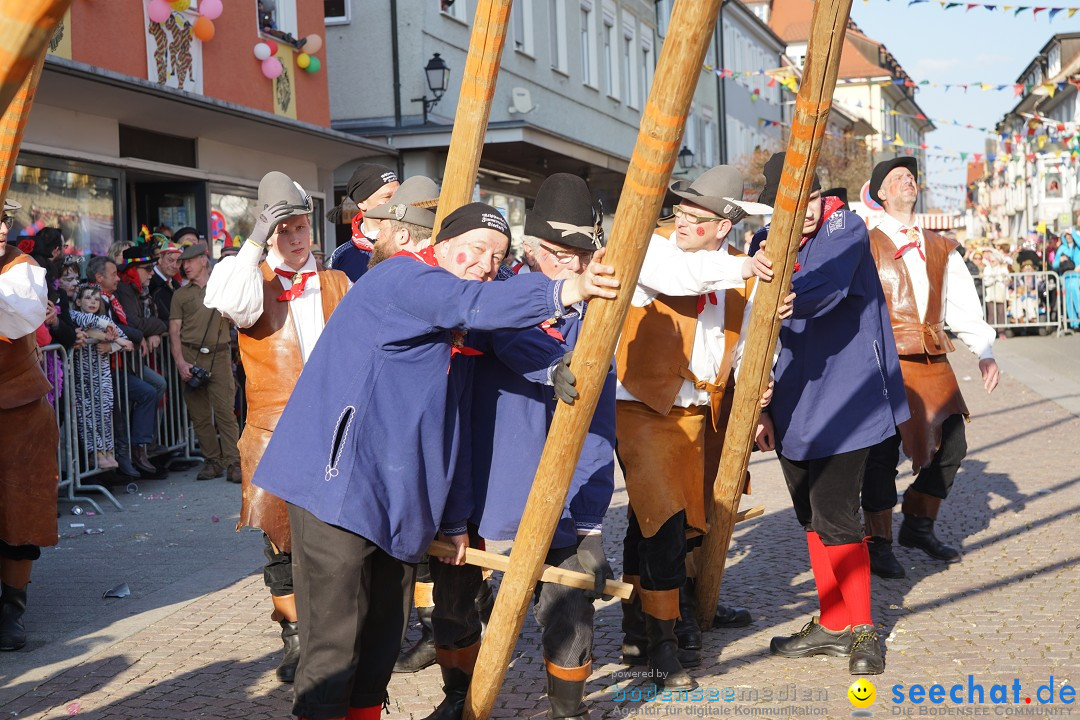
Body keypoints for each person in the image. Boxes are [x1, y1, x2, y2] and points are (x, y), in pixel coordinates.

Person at [251, 197, 619, 720]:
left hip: (398, 504)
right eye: (476, 249)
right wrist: (569, 289)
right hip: (337, 487)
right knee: (334, 649)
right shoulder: (401, 277)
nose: (485, 265)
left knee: (380, 644)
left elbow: (450, 429)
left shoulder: (459, 328)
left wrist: (451, 520)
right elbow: (472, 302)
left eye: (497, 256)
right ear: (440, 243)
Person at [424, 175, 615, 720]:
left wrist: (591, 524)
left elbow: (600, 428)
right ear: (531, 250)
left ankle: (567, 710)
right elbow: (503, 328)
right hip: (471, 485)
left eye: (581, 255)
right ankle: (458, 696)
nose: (572, 268)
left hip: (553, 495)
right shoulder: (488, 292)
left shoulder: (596, 319)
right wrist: (552, 364)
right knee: (455, 606)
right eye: (559, 254)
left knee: (570, 609)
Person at [614, 165, 774, 690]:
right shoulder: (653, 247)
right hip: (643, 404)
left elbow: (746, 338)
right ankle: (662, 648)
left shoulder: (738, 272)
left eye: (694, 215)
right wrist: (747, 267)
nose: (680, 220)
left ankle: (646, 627)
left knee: (663, 524)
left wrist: (760, 382)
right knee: (662, 525)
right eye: (680, 210)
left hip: (700, 411)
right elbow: (680, 277)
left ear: (724, 225)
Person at [752, 152, 909, 677]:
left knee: (836, 511)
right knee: (810, 517)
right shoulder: (762, 246)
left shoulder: (846, 225)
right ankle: (833, 622)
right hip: (792, 403)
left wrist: (786, 294)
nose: (811, 209)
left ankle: (863, 628)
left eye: (814, 196)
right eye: (797, 203)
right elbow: (753, 328)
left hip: (850, 397)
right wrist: (759, 404)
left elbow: (831, 280)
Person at [205, 171, 351, 684]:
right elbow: (225, 301)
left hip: (336, 428)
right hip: (274, 428)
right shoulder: (251, 279)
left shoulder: (337, 280)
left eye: (300, 227)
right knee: (280, 539)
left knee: (338, 537)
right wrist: (250, 243)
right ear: (269, 234)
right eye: (282, 229)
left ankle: (335, 635)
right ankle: (294, 639)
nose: (294, 238)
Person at [860, 157, 1000, 580]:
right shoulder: (863, 243)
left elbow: (962, 304)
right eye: (896, 177)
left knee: (952, 444)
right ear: (881, 193)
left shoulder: (940, 245)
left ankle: (918, 526)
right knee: (881, 456)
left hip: (933, 358)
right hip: (884, 359)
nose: (907, 179)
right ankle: (878, 543)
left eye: (911, 176)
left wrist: (985, 350)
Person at [0, 198, 61, 652]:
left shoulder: (23, 271)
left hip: (17, 411)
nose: (2, 228)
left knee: (19, 512)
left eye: (3, 218)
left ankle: (12, 609)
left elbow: (21, 314)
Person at [169, 243, 241, 482]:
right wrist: (180, 362)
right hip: (191, 355)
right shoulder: (180, 294)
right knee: (199, 415)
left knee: (225, 413)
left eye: (189, 261)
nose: (185, 266)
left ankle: (234, 462)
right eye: (183, 262)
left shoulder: (222, 288)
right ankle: (213, 461)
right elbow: (174, 331)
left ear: (203, 260)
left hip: (220, 356)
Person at [85, 254, 160, 479]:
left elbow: (121, 330)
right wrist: (133, 338)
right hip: (100, 370)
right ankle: (123, 460)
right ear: (99, 278)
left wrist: (130, 339)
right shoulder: (92, 298)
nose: (118, 279)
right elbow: (108, 332)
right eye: (113, 274)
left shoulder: (112, 298)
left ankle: (137, 451)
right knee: (112, 415)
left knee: (147, 393)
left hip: (117, 366)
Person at [116, 243, 169, 472]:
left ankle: (142, 445)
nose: (150, 273)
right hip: (121, 362)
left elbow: (143, 322)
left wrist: (154, 330)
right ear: (132, 271)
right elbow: (135, 324)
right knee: (152, 388)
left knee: (157, 384)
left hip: (132, 361)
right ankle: (137, 447)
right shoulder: (125, 290)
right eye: (146, 268)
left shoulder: (138, 290)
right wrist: (160, 327)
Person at [69, 283, 133, 470]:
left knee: (105, 413)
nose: (92, 302)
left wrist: (111, 345)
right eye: (88, 297)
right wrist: (111, 334)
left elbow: (128, 344)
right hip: (82, 378)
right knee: (87, 415)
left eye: (96, 299)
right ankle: (95, 452)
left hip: (102, 375)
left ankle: (108, 450)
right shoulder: (75, 316)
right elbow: (87, 322)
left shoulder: (104, 320)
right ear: (79, 300)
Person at [325, 164, 399, 281]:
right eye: (387, 196)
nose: (397, 201)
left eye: (399, 194)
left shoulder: (415, 241)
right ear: (362, 203)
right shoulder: (341, 256)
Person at [149, 238, 183, 321]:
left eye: (178, 262)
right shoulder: (149, 282)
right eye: (170, 260)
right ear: (160, 259)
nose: (174, 265)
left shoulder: (177, 286)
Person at [1056, 229, 1080, 329]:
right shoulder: (1062, 248)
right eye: (1066, 235)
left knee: (1075, 292)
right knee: (1068, 299)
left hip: (1076, 276)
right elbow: (1055, 264)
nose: (1069, 237)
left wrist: (1073, 232)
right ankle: (1074, 323)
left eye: (1070, 235)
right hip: (1065, 276)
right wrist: (1060, 260)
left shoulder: (1078, 248)